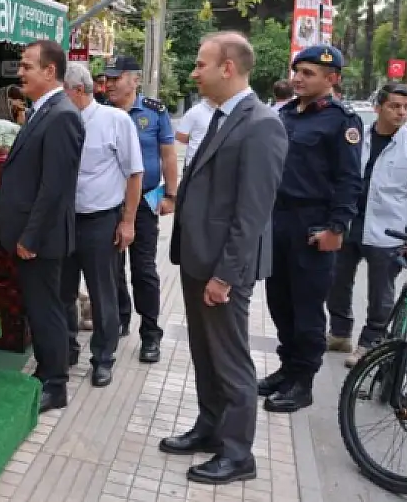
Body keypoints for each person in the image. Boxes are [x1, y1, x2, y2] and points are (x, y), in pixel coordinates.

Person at [161, 32, 288, 485]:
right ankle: (209, 427)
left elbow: (252, 213)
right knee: (205, 354)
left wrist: (226, 276)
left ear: (227, 68)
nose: (194, 72)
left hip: (222, 270)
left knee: (231, 360)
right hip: (200, 261)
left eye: (200, 64)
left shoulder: (261, 124)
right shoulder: (219, 117)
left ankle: (237, 454)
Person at [262, 44, 363, 413]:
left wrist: (337, 226)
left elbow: (350, 179)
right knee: (279, 301)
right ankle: (287, 369)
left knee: (306, 309)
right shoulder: (286, 113)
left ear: (332, 79)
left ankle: (302, 382)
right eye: (297, 71)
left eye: (308, 73)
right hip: (279, 220)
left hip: (313, 224)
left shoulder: (341, 121)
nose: (298, 78)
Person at [0, 40, 85, 413]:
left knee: (47, 309)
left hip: (41, 239)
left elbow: (56, 187)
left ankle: (55, 384)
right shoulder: (40, 111)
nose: (20, 72)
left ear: (50, 72)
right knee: (38, 307)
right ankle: (46, 371)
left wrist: (30, 236)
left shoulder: (62, 115)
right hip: (30, 235)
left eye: (28, 66)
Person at [60, 63, 143, 387]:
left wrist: (128, 222)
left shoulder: (115, 121)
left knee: (102, 291)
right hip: (64, 221)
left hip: (100, 221)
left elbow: (135, 174)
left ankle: (103, 358)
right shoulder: (59, 122)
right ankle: (67, 349)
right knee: (63, 290)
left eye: (62, 92)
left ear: (78, 91)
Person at [327, 83, 407, 366]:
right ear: (379, 108)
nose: (401, 112)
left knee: (381, 292)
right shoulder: (357, 137)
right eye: (395, 106)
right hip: (350, 222)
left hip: (388, 229)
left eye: (406, 107)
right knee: (337, 281)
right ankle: (339, 333)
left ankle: (370, 342)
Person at [105, 56, 179, 363]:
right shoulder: (99, 111)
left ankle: (150, 334)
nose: (108, 84)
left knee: (143, 270)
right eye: (106, 79)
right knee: (111, 268)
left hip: (146, 201)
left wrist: (171, 195)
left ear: (134, 80)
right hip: (107, 203)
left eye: (115, 78)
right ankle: (119, 319)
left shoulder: (153, 111)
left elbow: (168, 155)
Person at [176, 97, 214, 170]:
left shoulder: (226, 111)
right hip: (194, 162)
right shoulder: (195, 112)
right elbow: (180, 135)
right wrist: (196, 141)